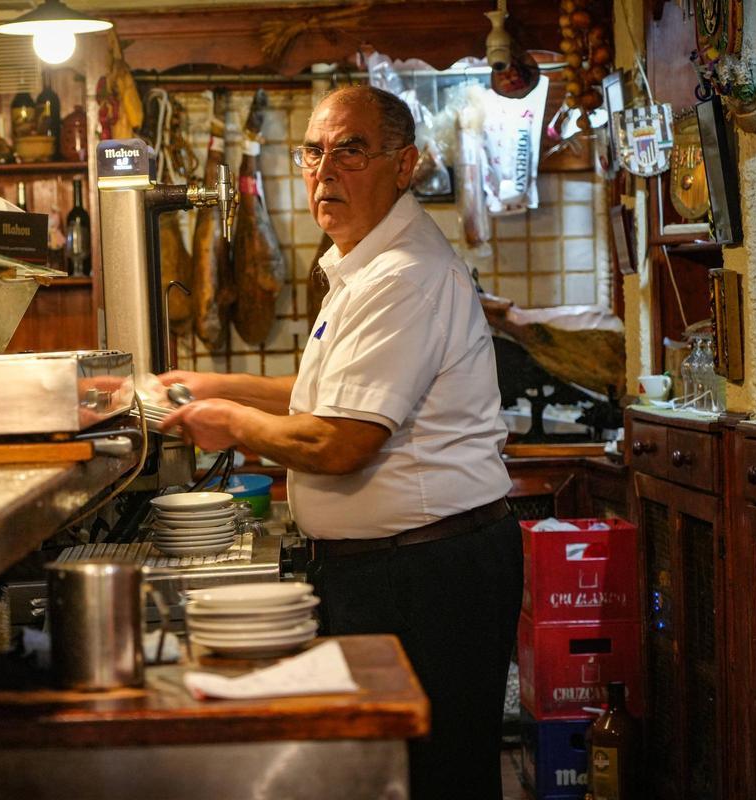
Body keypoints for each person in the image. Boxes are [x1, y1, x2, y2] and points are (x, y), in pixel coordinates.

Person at [159, 85, 521, 800]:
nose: (326, 171)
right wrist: (208, 385)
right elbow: (323, 398)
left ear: (404, 164)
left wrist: (228, 424)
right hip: (398, 567)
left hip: (428, 573)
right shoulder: (361, 267)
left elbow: (339, 440)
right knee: (393, 770)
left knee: (435, 774)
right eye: (314, 152)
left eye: (350, 151)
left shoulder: (404, 275)